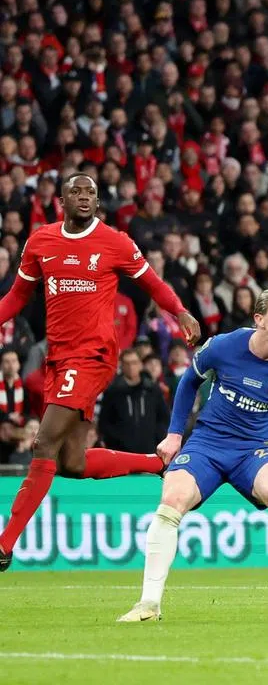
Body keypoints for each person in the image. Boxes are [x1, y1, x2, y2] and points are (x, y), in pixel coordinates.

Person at [0, 173, 200, 572]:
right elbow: (18, 296)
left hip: (92, 356)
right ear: (61, 200)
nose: (84, 197)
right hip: (57, 358)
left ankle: (4, 544)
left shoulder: (116, 242)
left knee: (44, 445)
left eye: (91, 192)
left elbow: (152, 283)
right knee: (71, 463)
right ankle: (158, 464)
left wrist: (179, 311)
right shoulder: (41, 241)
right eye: (76, 191)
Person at [118, 288, 268, 622]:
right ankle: (149, 603)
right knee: (172, 497)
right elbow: (189, 382)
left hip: (254, 450)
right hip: (208, 444)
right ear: (259, 319)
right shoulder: (224, 346)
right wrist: (173, 435)